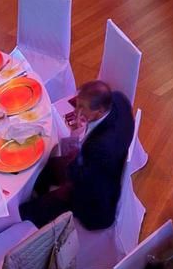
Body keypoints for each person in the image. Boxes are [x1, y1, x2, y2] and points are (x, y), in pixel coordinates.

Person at [18, 81, 135, 236]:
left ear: (99, 111)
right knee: (45, 165)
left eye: (82, 107)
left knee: (28, 211)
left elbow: (78, 177)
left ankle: (29, 221)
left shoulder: (101, 146)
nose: (77, 111)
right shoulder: (119, 99)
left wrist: (75, 150)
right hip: (98, 170)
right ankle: (37, 192)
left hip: (93, 200)